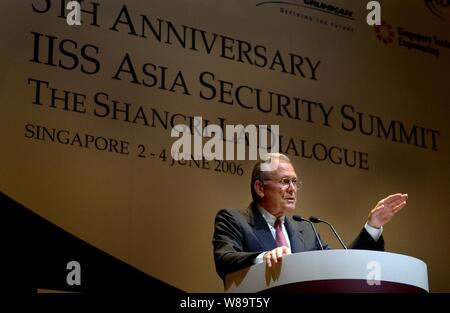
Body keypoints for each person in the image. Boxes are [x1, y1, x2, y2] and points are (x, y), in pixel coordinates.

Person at [212, 153, 408, 280]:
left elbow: (342, 268)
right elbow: (224, 260)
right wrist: (263, 258)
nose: (292, 189)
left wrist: (373, 226)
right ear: (260, 188)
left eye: (295, 182)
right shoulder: (234, 219)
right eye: (284, 181)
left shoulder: (306, 230)